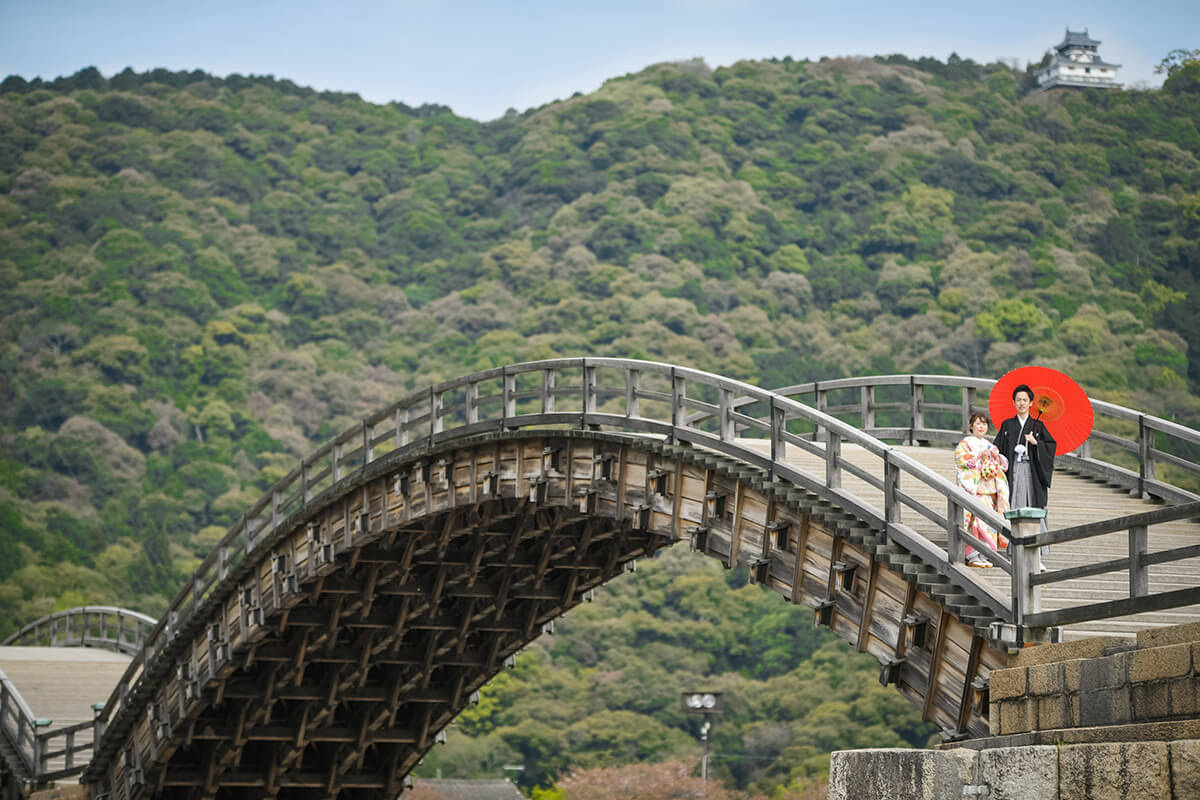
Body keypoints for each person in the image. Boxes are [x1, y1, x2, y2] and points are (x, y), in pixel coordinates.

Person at [993, 383, 1057, 556]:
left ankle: (1037, 552)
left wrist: (1037, 443)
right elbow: (996, 448)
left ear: (1031, 403)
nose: (1021, 403)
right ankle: (1012, 549)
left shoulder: (1038, 426)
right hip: (1013, 472)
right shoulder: (1007, 425)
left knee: (1033, 505)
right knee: (1013, 504)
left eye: (1025, 400)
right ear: (1014, 403)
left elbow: (1051, 446)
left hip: (1032, 473)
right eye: (1018, 400)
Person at [954, 413, 1010, 568]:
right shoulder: (964, 445)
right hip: (975, 491)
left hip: (989, 492)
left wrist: (995, 458)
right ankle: (972, 555)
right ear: (971, 426)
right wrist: (979, 457)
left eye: (984, 424)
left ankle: (984, 554)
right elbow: (962, 462)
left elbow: (1002, 466)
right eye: (978, 423)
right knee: (976, 522)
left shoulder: (991, 446)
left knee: (988, 521)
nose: (981, 427)